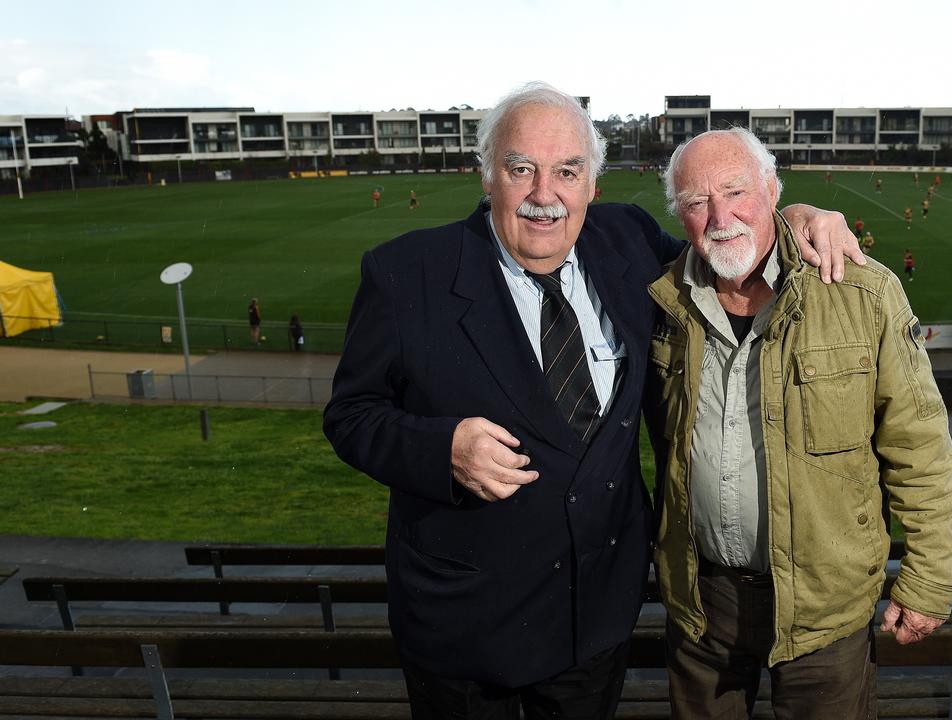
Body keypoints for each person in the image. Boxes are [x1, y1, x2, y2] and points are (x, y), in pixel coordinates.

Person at [323, 82, 867, 720]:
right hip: (465, 626)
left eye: (567, 171)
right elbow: (351, 415)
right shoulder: (404, 273)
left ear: (593, 186)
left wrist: (795, 216)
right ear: (487, 176)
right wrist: (440, 450)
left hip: (595, 615)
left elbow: (728, 256)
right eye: (520, 168)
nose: (544, 194)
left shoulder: (627, 241)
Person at [647, 127, 952, 720]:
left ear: (771, 190)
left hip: (826, 610)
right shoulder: (662, 301)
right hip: (702, 603)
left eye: (736, 191)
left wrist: (929, 577)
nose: (720, 216)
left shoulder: (862, 294)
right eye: (695, 201)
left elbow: (918, 444)